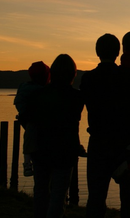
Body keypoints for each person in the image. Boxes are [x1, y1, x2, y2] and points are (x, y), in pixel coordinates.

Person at [80, 33, 130, 218]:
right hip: (125, 144)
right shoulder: (128, 76)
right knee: (128, 198)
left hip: (98, 142)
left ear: (97, 52)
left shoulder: (88, 79)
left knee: (96, 197)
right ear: (118, 52)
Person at [29, 54, 84, 218]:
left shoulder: (38, 95)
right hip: (65, 151)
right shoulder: (77, 97)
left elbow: (30, 119)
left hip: (41, 150)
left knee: (40, 192)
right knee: (58, 195)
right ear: (73, 74)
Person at [14, 61, 50, 177]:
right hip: (37, 126)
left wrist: (23, 114)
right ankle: (27, 164)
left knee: (29, 140)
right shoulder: (43, 91)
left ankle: (27, 163)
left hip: (29, 122)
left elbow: (19, 103)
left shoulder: (24, 88)